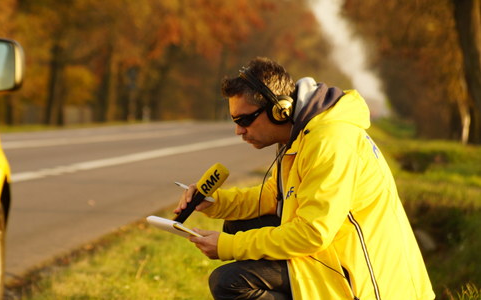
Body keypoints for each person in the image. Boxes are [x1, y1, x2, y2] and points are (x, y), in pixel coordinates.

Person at [174, 57, 434, 300]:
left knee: (227, 281)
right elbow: (272, 196)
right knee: (236, 224)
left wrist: (227, 246)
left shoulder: (330, 142)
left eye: (245, 119)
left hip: (364, 280)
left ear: (280, 110)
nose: (239, 130)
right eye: (235, 120)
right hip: (332, 254)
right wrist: (213, 201)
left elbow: (312, 234)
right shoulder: (302, 134)